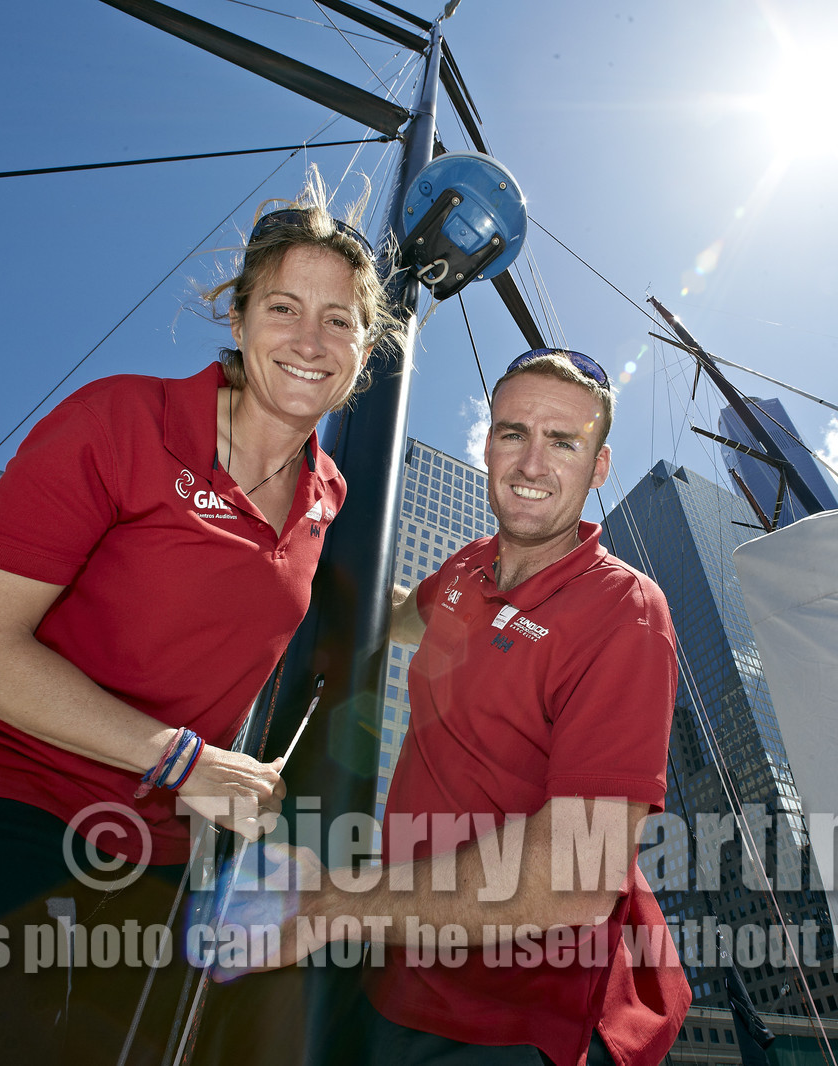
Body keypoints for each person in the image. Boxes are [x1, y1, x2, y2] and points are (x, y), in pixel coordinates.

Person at [0, 173, 398, 1065]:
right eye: (284, 307)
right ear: (237, 322)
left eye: (340, 318)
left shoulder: (329, 495)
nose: (311, 340)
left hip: (146, 858)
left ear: (365, 346)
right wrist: (185, 760)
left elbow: (363, 603)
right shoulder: (124, 419)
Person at [252, 350, 689, 1065]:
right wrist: (285, 569)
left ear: (599, 466)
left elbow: (576, 876)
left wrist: (336, 904)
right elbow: (395, 615)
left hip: (527, 1018)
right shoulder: (466, 568)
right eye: (514, 433)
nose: (531, 463)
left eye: (564, 441)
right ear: (488, 445)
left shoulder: (625, 609)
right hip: (401, 972)